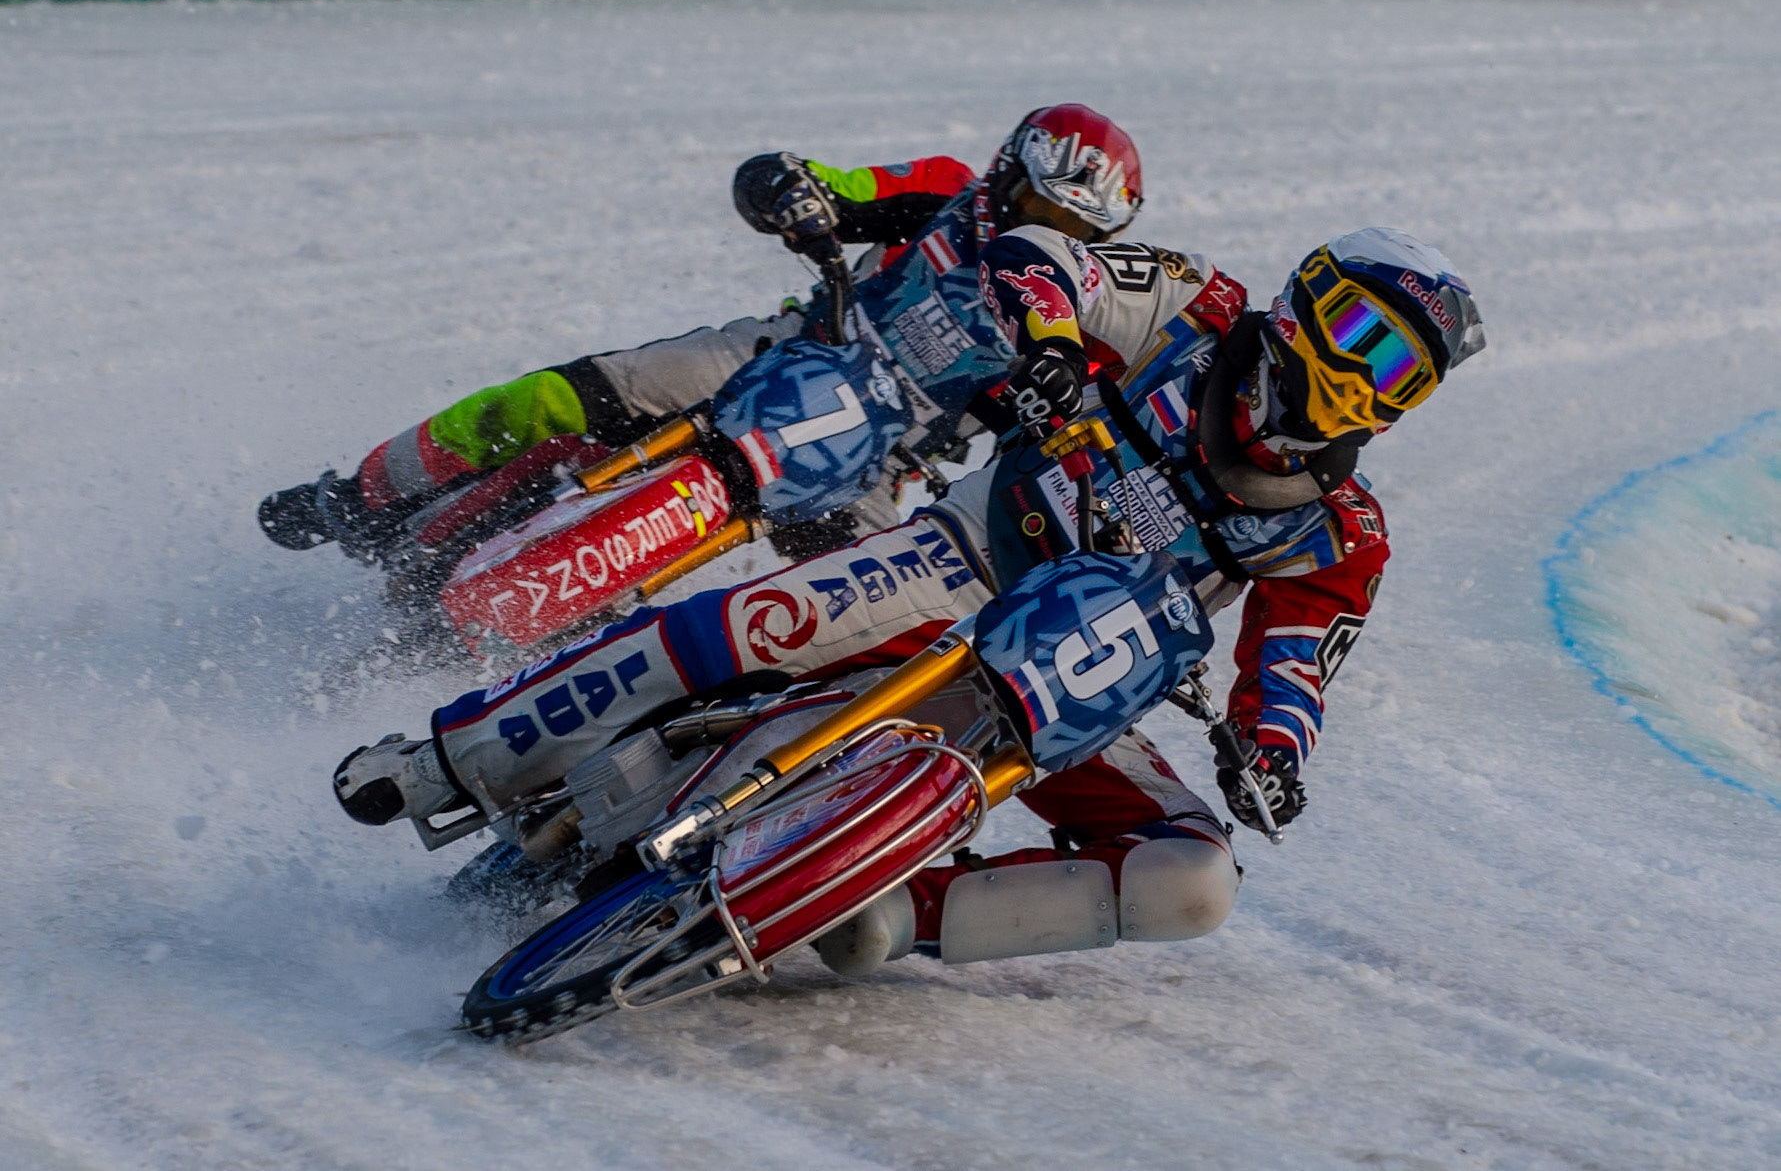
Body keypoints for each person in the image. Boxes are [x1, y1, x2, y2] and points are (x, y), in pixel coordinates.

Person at [332, 225, 1484, 968]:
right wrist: (1042, 341)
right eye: (1358, 338)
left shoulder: (1338, 530)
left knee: (1195, 877)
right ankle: (450, 756)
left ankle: (884, 914)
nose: (1360, 381)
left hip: (1073, 680)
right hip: (954, 558)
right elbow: (1048, 261)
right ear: (1302, 303)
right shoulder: (1192, 308)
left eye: (1397, 375)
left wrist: (1272, 749)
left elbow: (1292, 660)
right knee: (750, 622)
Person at [258, 104, 1144, 563]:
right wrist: (790, 187)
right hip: (792, 351)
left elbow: (1083, 438)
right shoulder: (949, 186)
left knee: (838, 631)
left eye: (1077, 232)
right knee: (561, 395)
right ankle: (361, 495)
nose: (1047, 237)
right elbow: (832, 184)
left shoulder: (1083, 324)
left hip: (879, 463)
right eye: (1035, 206)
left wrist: (1057, 429)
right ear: (1005, 173)